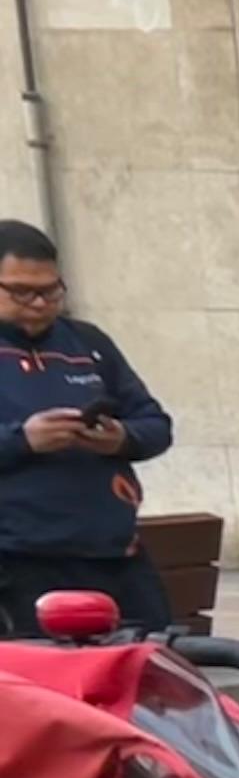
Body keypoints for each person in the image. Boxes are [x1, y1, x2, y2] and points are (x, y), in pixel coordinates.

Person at [0, 219, 175, 635]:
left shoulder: (88, 343)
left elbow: (154, 423)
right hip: (21, 563)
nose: (39, 303)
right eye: (21, 292)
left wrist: (120, 438)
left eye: (50, 290)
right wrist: (23, 440)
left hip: (115, 557)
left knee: (153, 678)